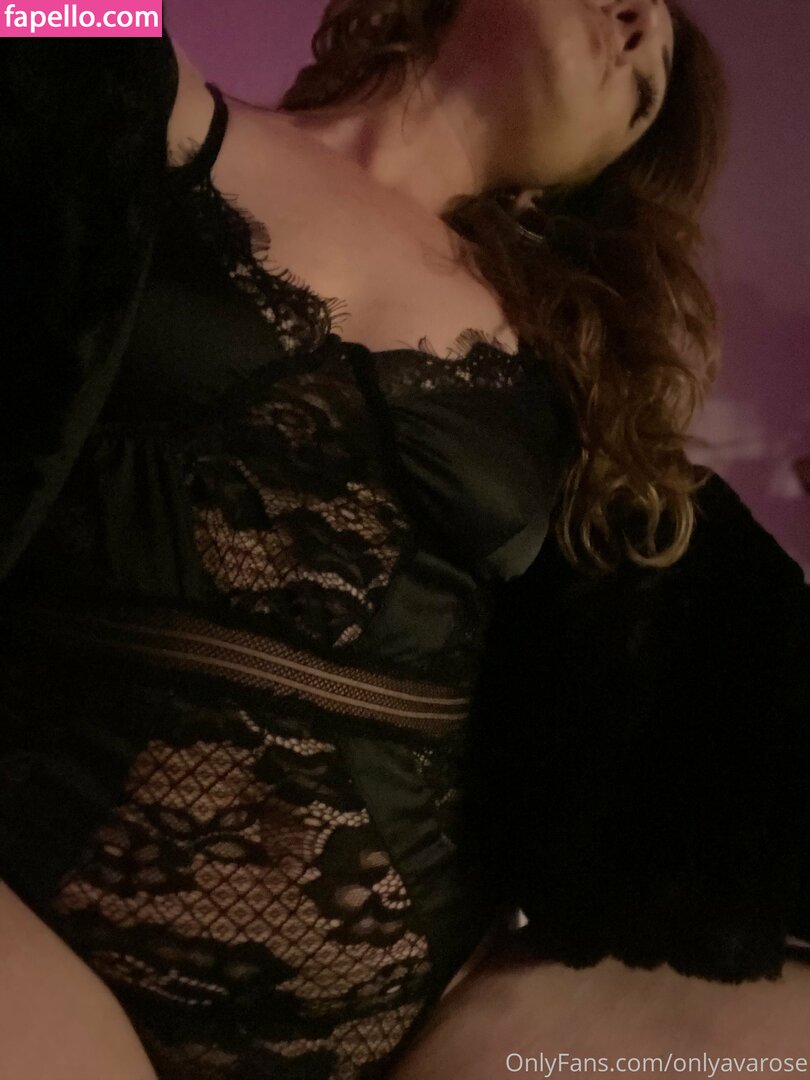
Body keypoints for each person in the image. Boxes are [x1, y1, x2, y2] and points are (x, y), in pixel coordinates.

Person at [2, 1, 801, 1077]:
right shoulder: (147, 99)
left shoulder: (574, 373)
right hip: (36, 931)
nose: (635, 27)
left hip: (418, 1016)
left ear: (574, 179)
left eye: (647, 89)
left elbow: (727, 701)